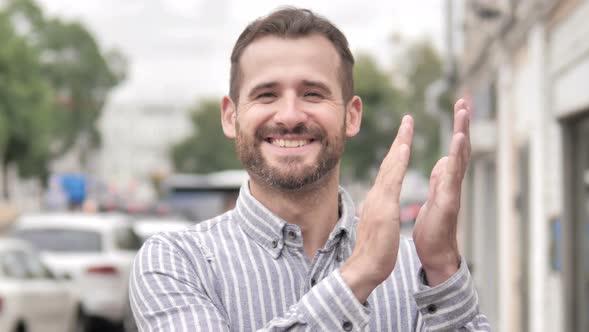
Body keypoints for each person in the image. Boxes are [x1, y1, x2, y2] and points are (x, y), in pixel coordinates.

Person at [130, 7, 490, 332]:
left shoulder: (419, 269)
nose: (289, 116)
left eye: (313, 94)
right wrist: (357, 277)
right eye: (266, 94)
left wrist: (442, 267)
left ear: (351, 115)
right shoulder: (178, 263)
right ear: (230, 115)